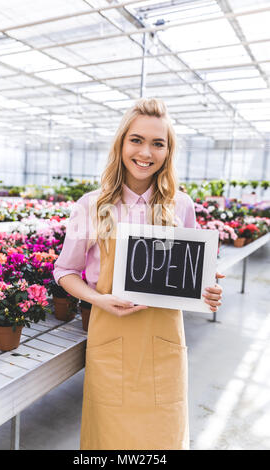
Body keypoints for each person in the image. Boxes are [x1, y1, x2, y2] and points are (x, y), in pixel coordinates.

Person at [53, 98, 224, 450]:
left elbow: (195, 276)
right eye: (136, 140)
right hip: (111, 340)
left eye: (157, 143)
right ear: (121, 143)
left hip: (164, 344)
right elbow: (65, 271)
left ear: (168, 151)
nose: (146, 152)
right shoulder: (92, 205)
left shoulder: (180, 205)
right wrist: (99, 298)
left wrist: (207, 289)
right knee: (108, 442)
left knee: (162, 440)